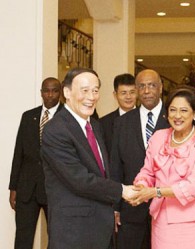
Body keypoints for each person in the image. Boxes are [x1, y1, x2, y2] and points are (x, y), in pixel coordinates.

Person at [40, 68, 135, 249]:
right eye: (84, 90)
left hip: (100, 230)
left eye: (95, 90)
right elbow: (79, 179)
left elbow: (102, 173)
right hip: (73, 233)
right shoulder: (56, 129)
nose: (91, 96)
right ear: (67, 92)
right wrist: (122, 190)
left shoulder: (95, 127)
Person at [129, 85, 195, 249]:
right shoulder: (158, 137)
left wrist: (155, 191)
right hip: (162, 219)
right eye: (173, 110)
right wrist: (141, 186)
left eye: (184, 111)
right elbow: (148, 171)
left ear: (194, 113)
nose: (177, 116)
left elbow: (194, 186)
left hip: (194, 221)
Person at [110, 69, 170, 249]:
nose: (146, 91)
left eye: (152, 85)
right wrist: (115, 206)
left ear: (160, 88)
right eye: (141, 86)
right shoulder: (122, 122)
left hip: (167, 208)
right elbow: (116, 166)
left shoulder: (175, 119)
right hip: (132, 208)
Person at [8, 77, 62, 249]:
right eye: (46, 90)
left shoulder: (68, 118)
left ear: (60, 93)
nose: (50, 95)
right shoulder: (28, 116)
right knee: (23, 237)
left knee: (57, 237)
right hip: (27, 187)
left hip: (56, 188)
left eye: (54, 90)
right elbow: (19, 153)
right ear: (41, 93)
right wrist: (13, 187)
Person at [100, 73, 137, 154]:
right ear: (115, 95)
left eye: (132, 92)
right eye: (123, 93)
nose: (128, 97)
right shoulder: (103, 124)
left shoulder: (146, 118)